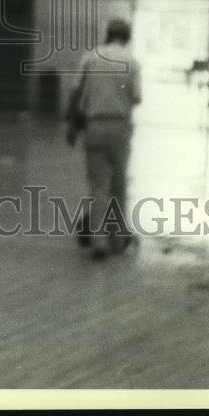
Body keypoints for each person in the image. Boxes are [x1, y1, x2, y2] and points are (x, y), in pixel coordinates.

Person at [69, 18, 142, 259]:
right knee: (118, 185)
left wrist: (72, 125)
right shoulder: (132, 62)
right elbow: (136, 97)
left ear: (107, 35)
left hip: (94, 127)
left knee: (98, 186)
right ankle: (117, 241)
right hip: (119, 127)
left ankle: (98, 243)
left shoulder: (90, 57)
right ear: (127, 38)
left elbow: (76, 91)